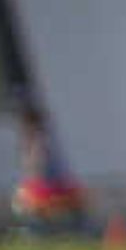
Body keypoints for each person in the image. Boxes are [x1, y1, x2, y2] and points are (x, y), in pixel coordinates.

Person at [8, 96, 87, 239]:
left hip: (50, 185)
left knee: (22, 199)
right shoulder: (42, 139)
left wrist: (30, 183)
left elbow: (35, 168)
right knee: (23, 198)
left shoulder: (37, 141)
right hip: (53, 184)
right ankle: (40, 228)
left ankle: (34, 230)